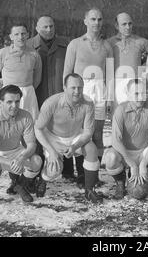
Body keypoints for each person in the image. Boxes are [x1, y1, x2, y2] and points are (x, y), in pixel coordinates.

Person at [63, 8, 113, 188]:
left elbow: (110, 75)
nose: (96, 23)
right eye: (92, 19)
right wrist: (67, 95)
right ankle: (81, 174)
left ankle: (94, 173)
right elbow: (67, 73)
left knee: (98, 134)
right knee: (79, 132)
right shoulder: (75, 44)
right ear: (85, 21)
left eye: (99, 19)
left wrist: (110, 98)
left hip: (100, 91)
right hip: (79, 90)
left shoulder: (107, 46)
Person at [34, 73, 102, 203]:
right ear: (64, 87)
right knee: (54, 171)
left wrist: (75, 146)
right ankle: (43, 179)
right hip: (54, 138)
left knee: (92, 149)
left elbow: (88, 131)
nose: (77, 91)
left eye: (80, 88)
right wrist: (52, 151)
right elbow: (38, 129)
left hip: (75, 136)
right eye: (73, 88)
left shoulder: (88, 103)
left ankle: (89, 190)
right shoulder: (51, 103)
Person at [103, 79, 148, 199]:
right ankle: (120, 182)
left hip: (143, 150)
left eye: (143, 93)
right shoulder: (120, 109)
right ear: (128, 94)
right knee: (110, 158)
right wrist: (131, 164)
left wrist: (143, 164)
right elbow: (116, 140)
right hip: (124, 152)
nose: (141, 97)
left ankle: (145, 179)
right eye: (136, 94)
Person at [26, 16, 74, 181]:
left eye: (51, 26)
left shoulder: (65, 45)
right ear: (37, 28)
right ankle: (36, 169)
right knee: (37, 130)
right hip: (38, 94)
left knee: (64, 128)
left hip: (60, 93)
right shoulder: (28, 46)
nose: (49, 29)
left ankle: (67, 169)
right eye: (45, 27)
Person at [0, 85, 42, 205]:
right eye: (9, 102)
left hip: (15, 151)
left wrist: (21, 158)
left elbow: (31, 145)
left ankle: (20, 185)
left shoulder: (25, 116)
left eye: (17, 101)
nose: (14, 106)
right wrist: (10, 163)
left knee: (37, 161)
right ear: (0, 102)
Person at [0, 24, 42, 120]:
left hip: (28, 95)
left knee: (29, 123)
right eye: (16, 34)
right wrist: (2, 93)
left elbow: (38, 77)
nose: (20, 37)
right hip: (8, 94)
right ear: (11, 37)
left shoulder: (34, 54)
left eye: (23, 34)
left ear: (28, 35)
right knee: (6, 124)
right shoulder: (2, 53)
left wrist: (27, 90)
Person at [107, 12, 148, 110]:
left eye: (130, 23)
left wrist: (145, 66)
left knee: (135, 116)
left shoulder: (141, 41)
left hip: (135, 85)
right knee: (117, 116)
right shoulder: (109, 43)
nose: (128, 27)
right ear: (116, 26)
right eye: (124, 24)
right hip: (116, 86)